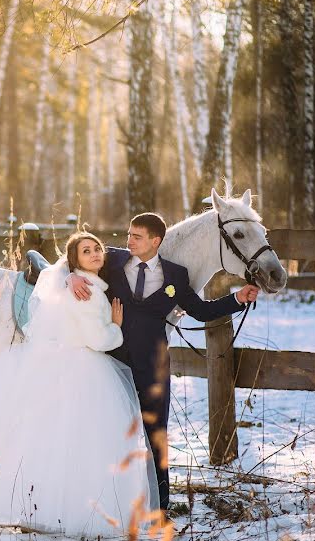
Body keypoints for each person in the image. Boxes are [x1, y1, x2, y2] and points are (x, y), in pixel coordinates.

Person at [0, 232, 159, 537]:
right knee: (87, 442)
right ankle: (82, 510)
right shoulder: (88, 292)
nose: (94, 254)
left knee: (56, 440)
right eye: (86, 251)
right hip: (86, 365)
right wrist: (115, 326)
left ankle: (46, 504)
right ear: (74, 260)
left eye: (96, 249)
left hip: (68, 361)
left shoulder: (82, 284)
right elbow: (98, 339)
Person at [67, 213, 259, 511]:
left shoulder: (176, 275)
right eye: (129, 234)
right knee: (110, 431)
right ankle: (110, 501)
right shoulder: (112, 262)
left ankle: (160, 506)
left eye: (137, 237)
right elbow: (72, 260)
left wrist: (238, 299)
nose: (128, 240)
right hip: (112, 363)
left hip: (153, 365)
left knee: (156, 433)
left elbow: (200, 310)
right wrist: (71, 276)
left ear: (156, 241)